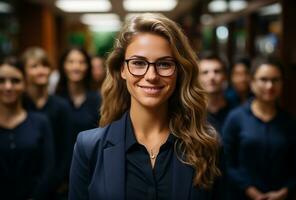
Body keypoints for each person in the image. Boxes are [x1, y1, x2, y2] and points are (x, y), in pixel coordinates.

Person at [69, 13, 223, 199]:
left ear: (179, 72)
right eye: (139, 63)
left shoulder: (207, 145)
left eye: (164, 64)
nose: (151, 76)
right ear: (122, 70)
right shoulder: (89, 147)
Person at [222, 57, 296, 200]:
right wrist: (250, 190)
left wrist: (285, 191)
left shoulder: (291, 122)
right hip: (241, 195)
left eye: (275, 80)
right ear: (252, 82)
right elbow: (227, 161)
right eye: (263, 80)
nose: (270, 86)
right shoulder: (236, 118)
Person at [21, 47, 72, 199]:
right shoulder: (20, 104)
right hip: (23, 184)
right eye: (34, 66)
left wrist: (54, 183)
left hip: (55, 188)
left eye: (45, 66)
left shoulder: (61, 106)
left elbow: (66, 149)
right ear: (24, 72)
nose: (41, 71)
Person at [0, 57, 54, 199]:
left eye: (15, 81)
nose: (8, 87)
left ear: (25, 84)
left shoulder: (40, 122)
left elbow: (48, 170)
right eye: (2, 81)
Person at [56, 47, 101, 148]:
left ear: (88, 67)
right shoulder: (55, 100)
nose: (76, 67)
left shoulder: (98, 100)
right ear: (63, 66)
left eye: (82, 62)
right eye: (70, 62)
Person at [197, 52, 233, 134]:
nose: (211, 77)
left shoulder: (236, 112)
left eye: (217, 71)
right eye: (205, 72)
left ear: (225, 76)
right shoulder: (190, 114)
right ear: (197, 78)